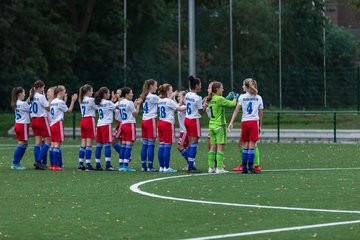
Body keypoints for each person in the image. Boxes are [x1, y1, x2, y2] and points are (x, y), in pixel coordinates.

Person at [228, 78, 263, 174]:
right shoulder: (259, 97)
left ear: (247, 87)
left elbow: (236, 110)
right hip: (253, 122)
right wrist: (260, 126)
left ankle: (244, 168)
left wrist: (231, 122)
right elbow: (260, 114)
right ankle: (251, 168)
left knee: (245, 145)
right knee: (252, 145)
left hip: (245, 122)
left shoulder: (242, 97)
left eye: (243, 85)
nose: (242, 86)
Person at [206, 82, 237, 173]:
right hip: (219, 126)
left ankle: (211, 168)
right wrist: (235, 98)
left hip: (211, 126)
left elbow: (222, 102)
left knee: (212, 147)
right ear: (217, 89)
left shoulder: (210, 99)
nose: (223, 89)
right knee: (220, 147)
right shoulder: (219, 98)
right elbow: (232, 104)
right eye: (221, 88)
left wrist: (227, 97)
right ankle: (219, 168)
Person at [157, 84, 185, 173]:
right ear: (167, 91)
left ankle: (161, 167)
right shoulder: (169, 101)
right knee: (167, 146)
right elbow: (180, 109)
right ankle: (166, 167)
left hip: (161, 122)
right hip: (167, 124)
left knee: (161, 145)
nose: (172, 92)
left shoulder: (159, 100)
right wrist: (189, 105)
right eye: (171, 90)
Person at [49, 86, 78, 170]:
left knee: (53, 145)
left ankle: (52, 165)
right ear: (60, 92)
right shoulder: (60, 102)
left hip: (52, 124)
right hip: (58, 124)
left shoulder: (53, 101)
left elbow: (60, 108)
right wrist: (73, 101)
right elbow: (68, 111)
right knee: (57, 145)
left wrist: (64, 100)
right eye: (64, 90)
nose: (65, 92)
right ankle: (56, 166)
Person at [184, 76, 207, 173]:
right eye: (200, 84)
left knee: (190, 143)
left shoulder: (187, 95)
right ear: (196, 85)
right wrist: (205, 105)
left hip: (187, 119)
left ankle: (190, 164)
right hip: (194, 120)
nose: (201, 86)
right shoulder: (198, 98)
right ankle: (190, 166)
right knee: (194, 144)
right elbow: (201, 112)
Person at [94, 87, 117, 171]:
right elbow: (116, 107)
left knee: (99, 145)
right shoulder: (108, 102)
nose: (109, 94)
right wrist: (119, 100)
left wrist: (112, 100)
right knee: (107, 145)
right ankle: (108, 164)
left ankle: (98, 164)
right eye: (108, 93)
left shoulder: (99, 102)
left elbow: (109, 105)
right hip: (106, 125)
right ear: (105, 94)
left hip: (99, 125)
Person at [118, 87, 141, 172]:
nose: (132, 94)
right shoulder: (130, 102)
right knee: (128, 145)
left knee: (123, 145)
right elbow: (135, 115)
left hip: (123, 124)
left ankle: (121, 164)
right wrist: (138, 106)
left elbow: (126, 110)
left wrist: (133, 105)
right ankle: (126, 165)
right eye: (131, 93)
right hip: (129, 124)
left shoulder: (121, 102)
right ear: (126, 94)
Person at [29, 80, 50, 170]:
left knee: (37, 142)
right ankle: (38, 161)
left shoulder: (31, 96)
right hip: (41, 120)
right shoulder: (41, 96)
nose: (43, 90)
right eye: (43, 88)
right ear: (39, 88)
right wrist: (48, 101)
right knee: (48, 142)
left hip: (34, 120)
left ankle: (37, 162)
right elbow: (48, 108)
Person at [139, 79, 159, 172]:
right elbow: (164, 101)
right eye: (155, 85)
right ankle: (150, 166)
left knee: (145, 144)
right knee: (151, 145)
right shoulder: (153, 97)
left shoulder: (144, 95)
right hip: (151, 120)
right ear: (151, 86)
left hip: (144, 120)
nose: (157, 87)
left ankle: (143, 166)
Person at [78, 84, 97, 171]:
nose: (92, 92)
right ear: (88, 91)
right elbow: (97, 107)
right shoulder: (91, 100)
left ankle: (81, 163)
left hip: (83, 120)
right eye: (91, 91)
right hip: (89, 120)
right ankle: (88, 164)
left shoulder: (81, 99)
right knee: (89, 143)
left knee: (83, 143)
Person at [10, 87, 30, 170]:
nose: (24, 94)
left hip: (18, 124)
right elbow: (30, 109)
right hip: (23, 125)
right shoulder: (22, 104)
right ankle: (15, 163)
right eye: (23, 93)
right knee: (22, 144)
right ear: (19, 94)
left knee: (23, 144)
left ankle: (17, 162)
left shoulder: (17, 103)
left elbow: (25, 104)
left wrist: (29, 97)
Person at [176, 90, 189, 170]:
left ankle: (191, 162)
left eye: (179, 96)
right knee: (185, 147)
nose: (178, 98)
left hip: (185, 131)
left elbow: (178, 108)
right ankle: (189, 163)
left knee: (179, 147)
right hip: (182, 131)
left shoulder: (185, 107)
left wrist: (183, 101)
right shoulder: (179, 105)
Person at [111, 88, 124, 166]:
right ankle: (122, 162)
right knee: (122, 144)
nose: (117, 94)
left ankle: (123, 162)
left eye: (118, 93)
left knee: (114, 142)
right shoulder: (115, 103)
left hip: (122, 124)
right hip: (118, 124)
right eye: (116, 93)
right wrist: (112, 100)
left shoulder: (123, 103)